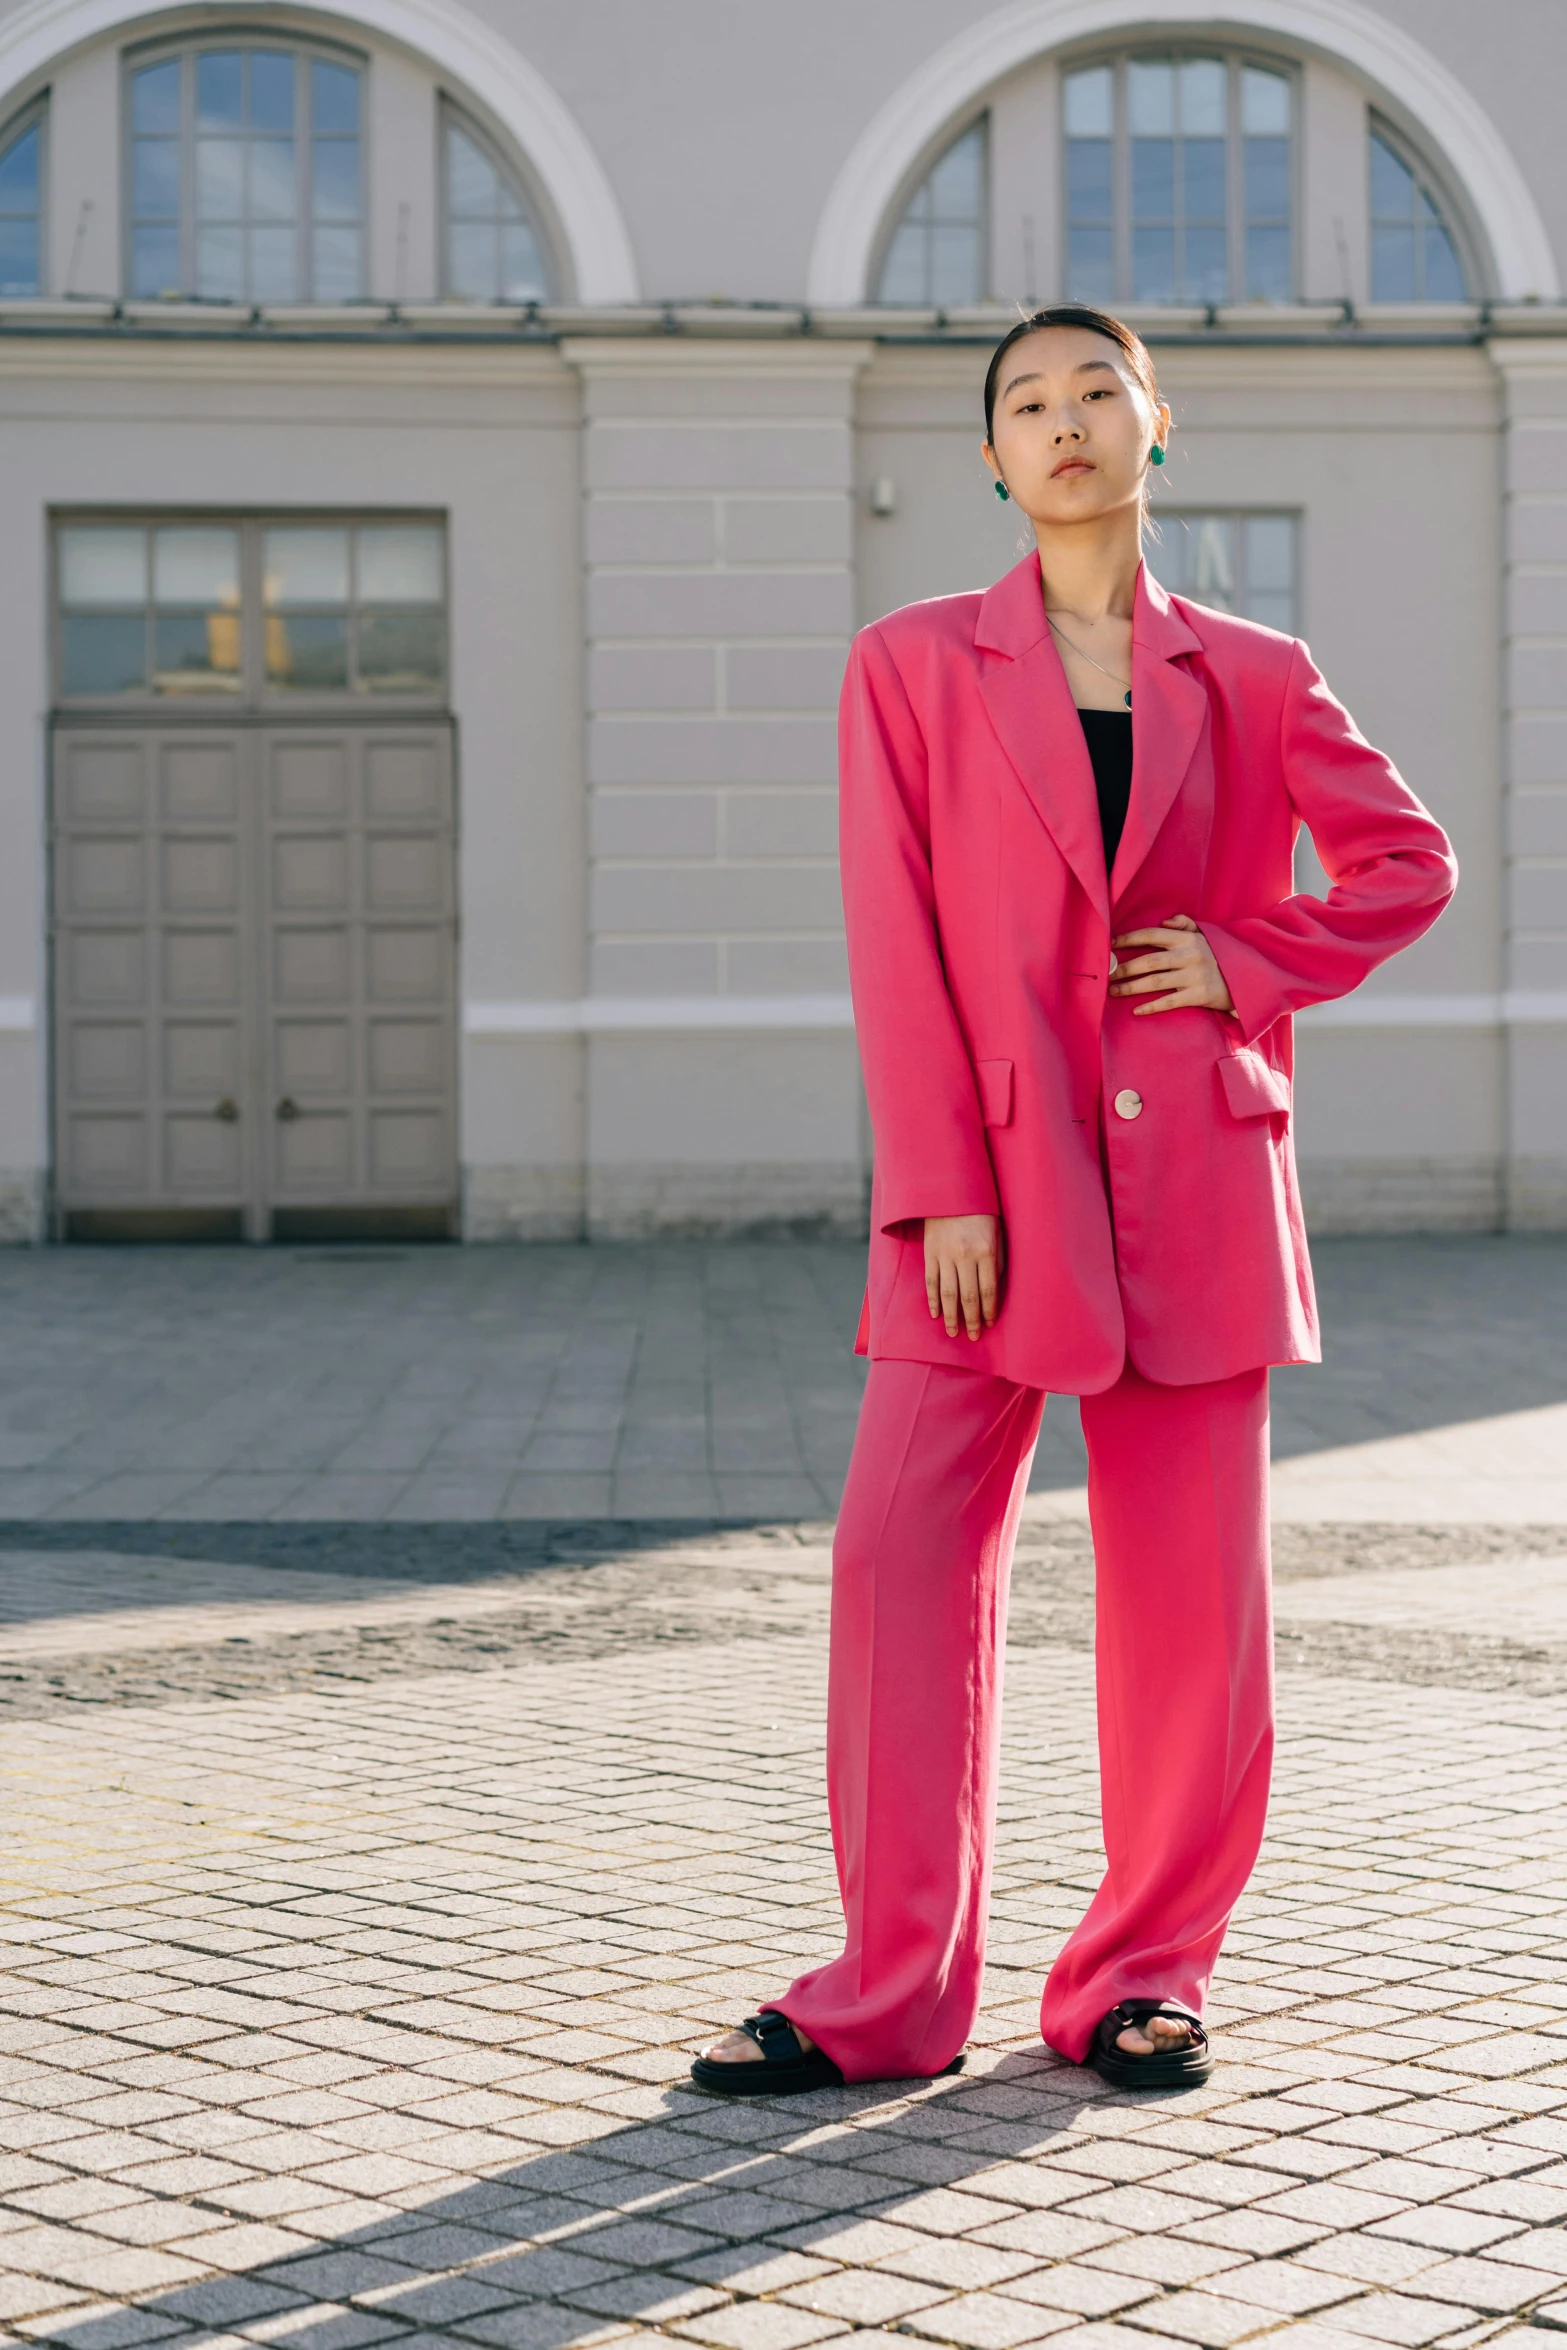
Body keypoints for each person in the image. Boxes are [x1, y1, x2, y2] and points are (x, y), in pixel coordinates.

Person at [691, 304, 1457, 2097]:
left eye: (1093, 392)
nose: (1060, 422)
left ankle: (1140, 1973)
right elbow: (896, 946)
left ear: (1152, 427)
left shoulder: (1256, 674)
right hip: (992, 1185)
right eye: (1023, 403)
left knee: (1191, 1601)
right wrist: (940, 1185)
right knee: (894, 1558)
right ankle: (886, 1986)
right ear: (987, 457)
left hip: (1196, 1173)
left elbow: (1404, 863)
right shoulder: (908, 664)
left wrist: (1246, 957)